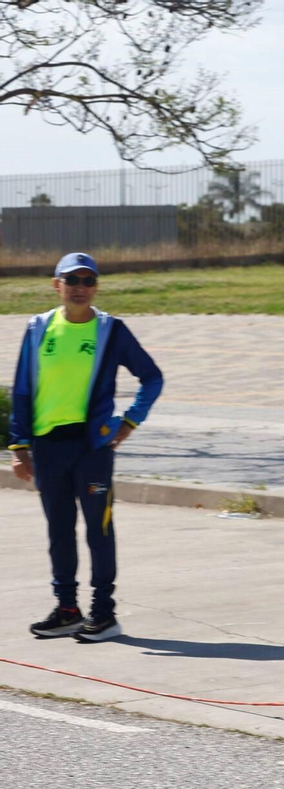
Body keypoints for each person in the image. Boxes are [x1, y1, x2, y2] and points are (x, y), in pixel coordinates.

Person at [8, 253, 164, 642]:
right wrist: (19, 446)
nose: (80, 287)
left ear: (96, 287)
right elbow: (23, 390)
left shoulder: (111, 331)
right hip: (48, 447)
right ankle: (67, 611)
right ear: (56, 285)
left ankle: (104, 614)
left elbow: (152, 377)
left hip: (91, 447)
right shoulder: (39, 328)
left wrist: (129, 422)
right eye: (72, 280)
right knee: (59, 531)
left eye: (88, 280)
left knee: (99, 529)